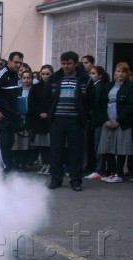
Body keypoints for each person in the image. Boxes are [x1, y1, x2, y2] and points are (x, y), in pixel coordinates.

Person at [46, 51, 94, 191]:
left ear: (75, 63)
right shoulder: (55, 78)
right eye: (63, 63)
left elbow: (91, 100)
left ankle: (75, 180)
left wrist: (83, 114)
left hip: (75, 120)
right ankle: (56, 179)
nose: (66, 66)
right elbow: (47, 96)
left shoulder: (85, 79)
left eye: (69, 64)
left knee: (75, 151)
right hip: (57, 119)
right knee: (56, 150)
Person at [97, 62, 133, 184]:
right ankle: (112, 172)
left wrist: (118, 120)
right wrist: (105, 120)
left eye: (123, 71)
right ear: (114, 73)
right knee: (108, 147)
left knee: (121, 148)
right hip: (108, 121)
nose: (120, 74)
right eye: (118, 71)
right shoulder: (110, 86)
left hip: (121, 123)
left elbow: (130, 106)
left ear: (127, 73)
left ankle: (119, 173)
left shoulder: (130, 87)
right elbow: (102, 103)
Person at [0, 52, 23, 172]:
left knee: (9, 141)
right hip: (0, 116)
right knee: (1, 143)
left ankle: (8, 165)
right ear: (9, 61)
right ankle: (4, 168)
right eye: (16, 62)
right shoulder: (1, 74)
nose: (18, 65)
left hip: (11, 115)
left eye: (20, 63)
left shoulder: (15, 76)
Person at [85, 66, 111, 180]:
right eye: (90, 73)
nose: (91, 76)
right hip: (95, 120)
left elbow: (94, 102)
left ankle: (99, 170)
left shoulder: (99, 86)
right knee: (94, 145)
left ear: (100, 75)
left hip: (98, 120)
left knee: (98, 146)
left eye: (94, 73)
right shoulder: (95, 86)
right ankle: (96, 168)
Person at [28, 65, 54, 176]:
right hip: (39, 119)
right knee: (42, 144)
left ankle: (50, 165)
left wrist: (48, 113)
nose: (45, 76)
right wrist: (40, 113)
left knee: (50, 144)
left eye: (48, 74)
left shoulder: (54, 87)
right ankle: (44, 164)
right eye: (43, 74)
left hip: (51, 119)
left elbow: (55, 102)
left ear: (52, 74)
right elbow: (32, 102)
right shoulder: (35, 87)